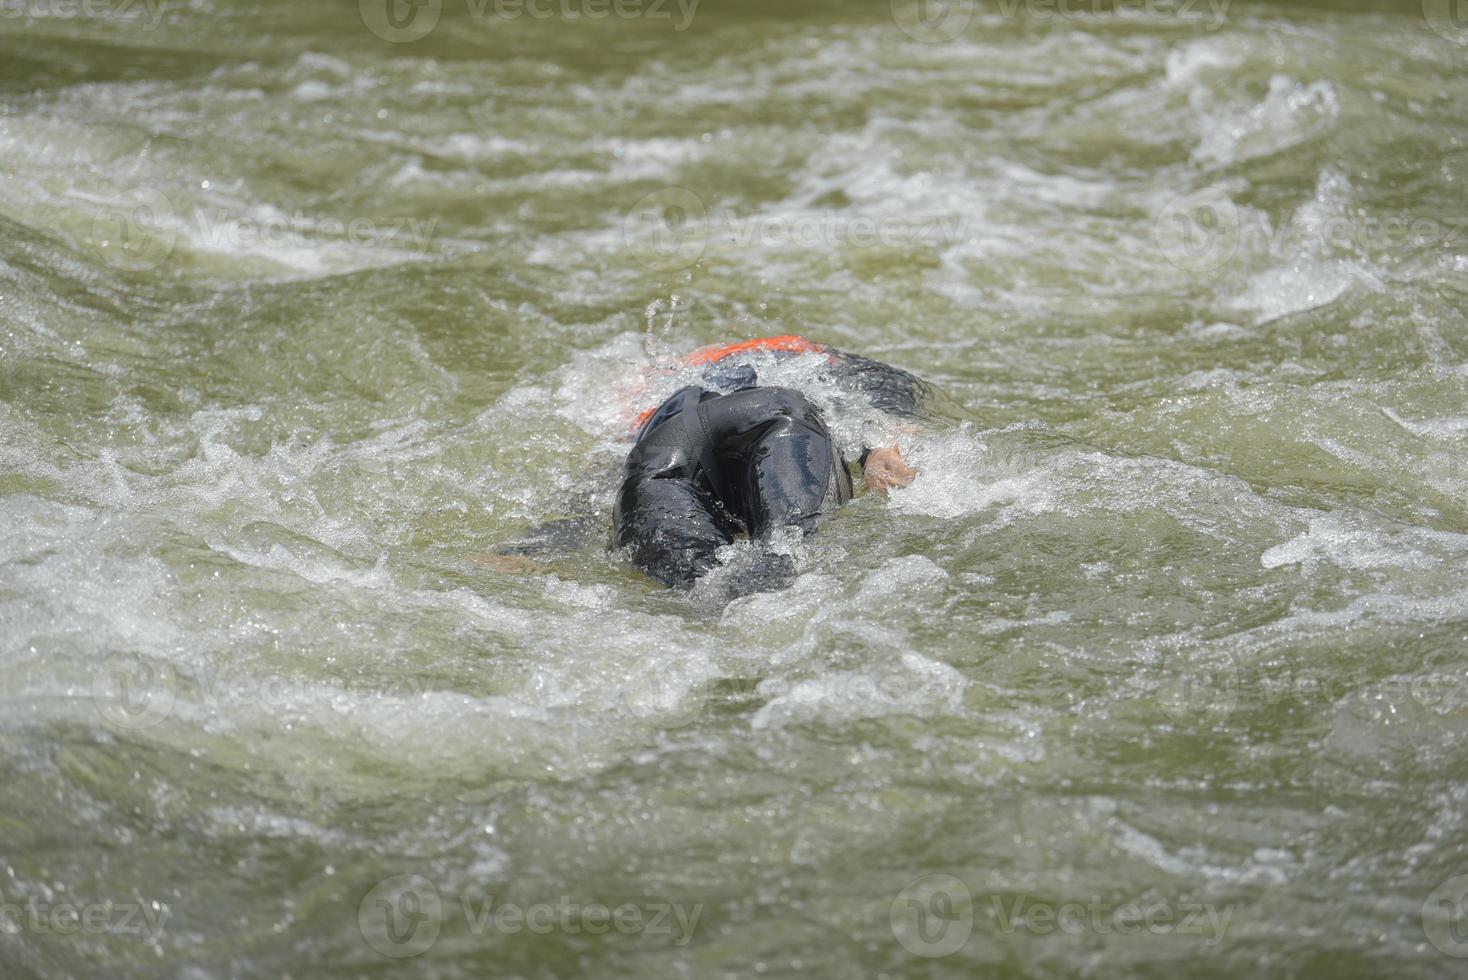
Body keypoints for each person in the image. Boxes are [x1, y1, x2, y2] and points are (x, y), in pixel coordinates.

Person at [613, 335, 926, 589]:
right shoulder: (817, 357)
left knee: (699, 594)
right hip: (778, 417)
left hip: (668, 441)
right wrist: (878, 448)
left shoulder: (662, 385)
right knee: (782, 567)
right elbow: (887, 395)